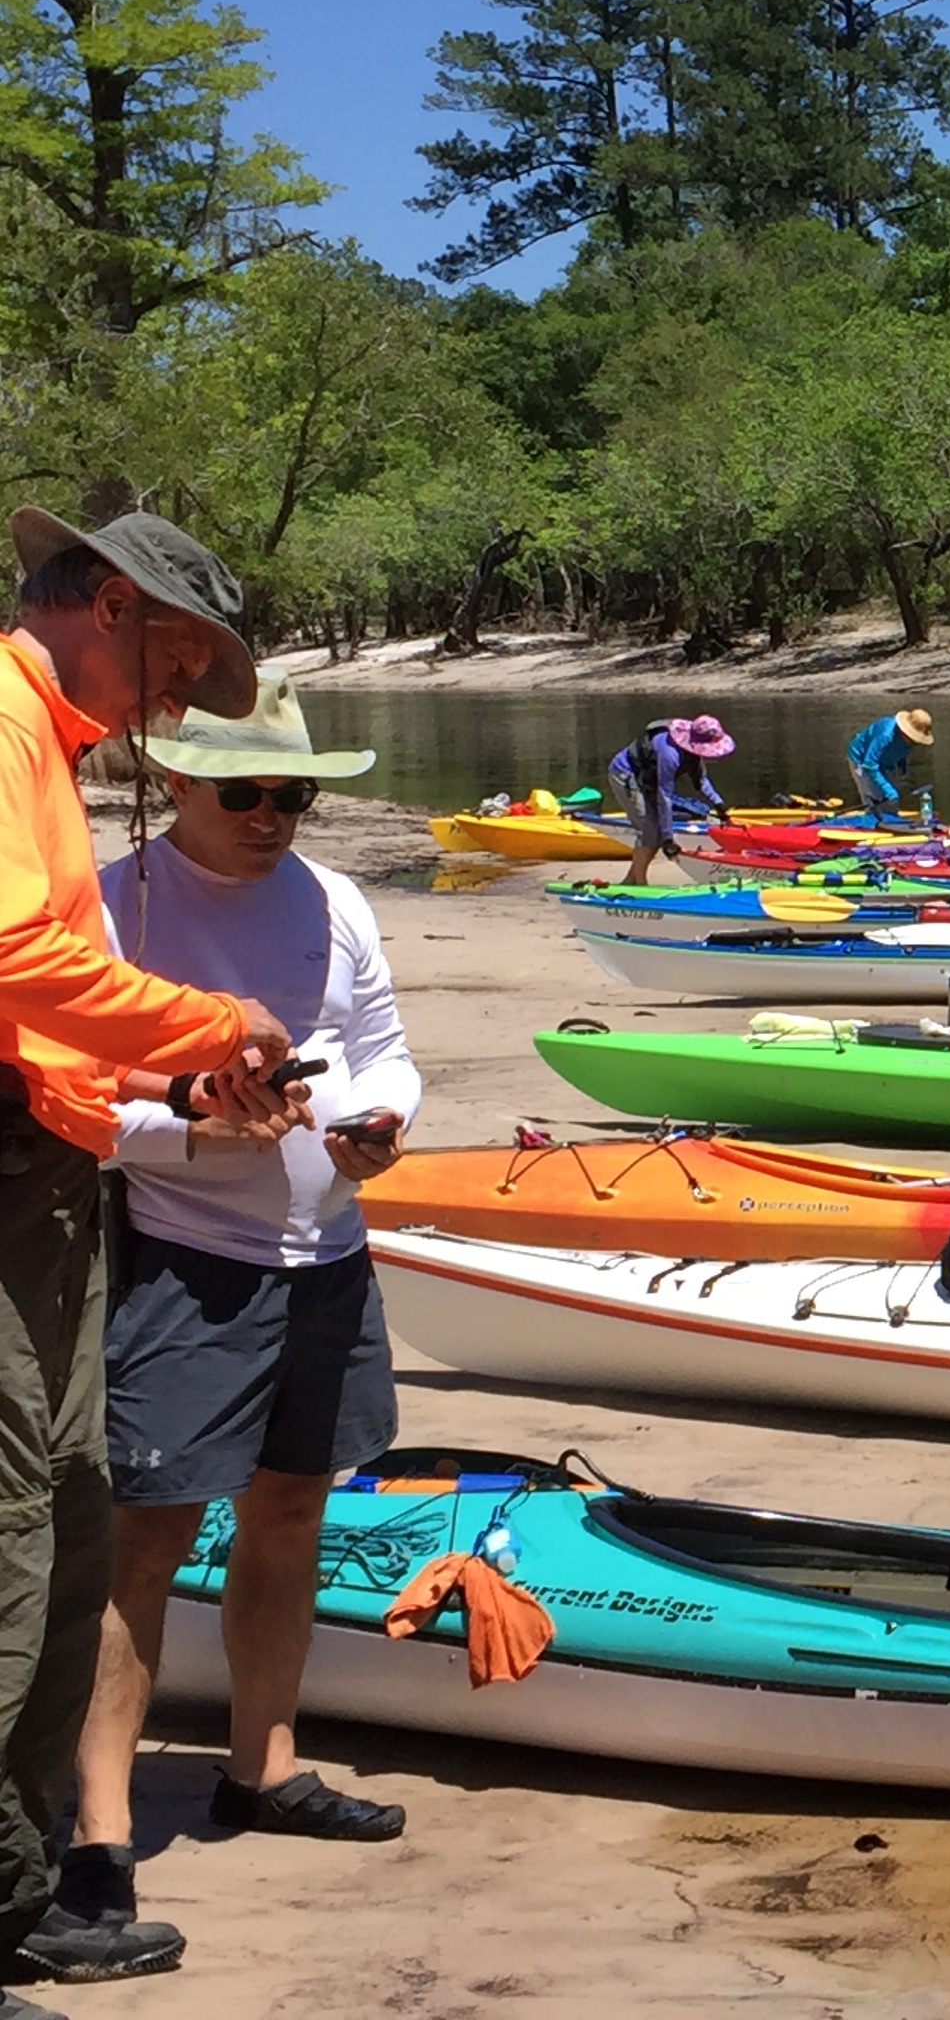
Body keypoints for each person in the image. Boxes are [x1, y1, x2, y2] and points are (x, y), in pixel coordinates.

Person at [25, 673, 419, 1988]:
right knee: (142, 1543)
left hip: (330, 1258)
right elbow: (78, 1100)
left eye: (295, 793)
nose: (273, 816)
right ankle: (98, 1835)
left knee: (292, 1506)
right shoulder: (120, 905)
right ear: (176, 784)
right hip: (185, 1266)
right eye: (244, 792)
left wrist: (381, 1124)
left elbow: (382, 1046)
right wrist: (196, 1128)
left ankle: (266, 1764)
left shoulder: (337, 900)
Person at [0, 508, 307, 2007]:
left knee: (61, 1518)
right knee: (10, 1533)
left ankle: (17, 1891)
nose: (176, 710)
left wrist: (174, 1090)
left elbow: (38, 1024)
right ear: (110, 605)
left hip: (46, 1170)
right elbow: (11, 960)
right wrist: (210, 1025)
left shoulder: (47, 748)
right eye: (179, 665)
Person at [604, 714, 731, 886]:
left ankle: (631, 880)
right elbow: (664, 797)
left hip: (647, 780)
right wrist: (668, 839)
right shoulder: (669, 754)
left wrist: (719, 804)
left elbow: (700, 780)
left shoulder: (691, 752)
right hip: (625, 775)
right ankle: (640, 884)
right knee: (648, 830)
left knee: (653, 832)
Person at [844, 707, 934, 818]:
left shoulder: (908, 740)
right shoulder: (885, 735)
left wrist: (902, 764)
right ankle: (872, 818)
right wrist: (887, 789)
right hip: (860, 760)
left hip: (884, 763)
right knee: (874, 795)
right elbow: (869, 764)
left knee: (890, 799)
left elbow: (901, 748)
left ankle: (890, 818)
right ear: (904, 732)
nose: (914, 743)